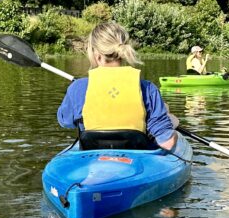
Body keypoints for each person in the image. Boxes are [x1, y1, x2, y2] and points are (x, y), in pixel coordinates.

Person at [57, 21, 178, 150]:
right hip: (137, 161)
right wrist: (171, 123)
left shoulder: (78, 88)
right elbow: (167, 143)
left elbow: (65, 121)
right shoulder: (148, 89)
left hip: (92, 162)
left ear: (96, 55)